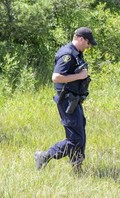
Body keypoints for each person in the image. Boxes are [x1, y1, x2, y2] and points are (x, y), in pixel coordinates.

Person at [34, 27, 97, 173]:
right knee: (75, 139)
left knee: (80, 134)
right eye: (88, 43)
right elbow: (56, 77)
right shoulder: (67, 54)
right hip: (67, 101)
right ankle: (44, 156)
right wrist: (79, 76)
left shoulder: (77, 53)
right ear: (81, 39)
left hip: (75, 100)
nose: (88, 47)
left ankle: (77, 168)